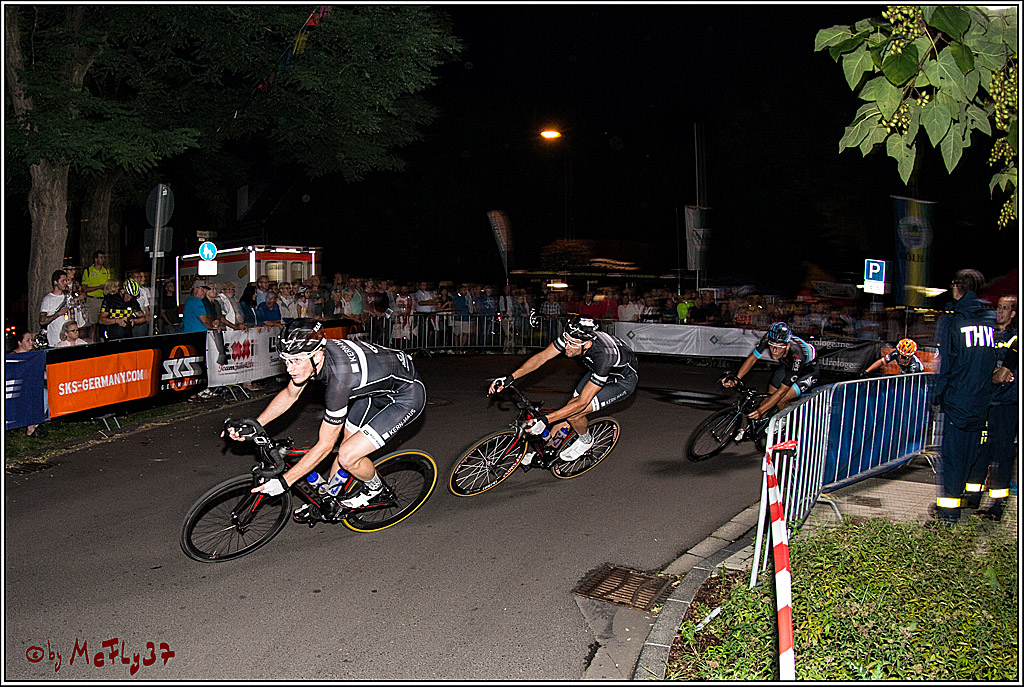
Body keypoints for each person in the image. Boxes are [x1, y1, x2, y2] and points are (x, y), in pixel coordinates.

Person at [229, 319, 427, 523]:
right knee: (345, 448)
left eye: (296, 361)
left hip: (405, 398)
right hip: (373, 392)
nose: (290, 368)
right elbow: (290, 394)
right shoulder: (315, 355)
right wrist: (256, 425)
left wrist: (285, 482)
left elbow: (324, 446)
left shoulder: (339, 381)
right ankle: (329, 499)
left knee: (348, 455)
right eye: (286, 360)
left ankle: (375, 489)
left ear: (316, 355)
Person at [488, 314, 639, 465]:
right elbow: (542, 357)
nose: (566, 346)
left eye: (571, 344)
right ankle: (550, 449)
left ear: (586, 344)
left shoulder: (604, 357)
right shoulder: (573, 335)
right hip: (599, 371)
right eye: (566, 341)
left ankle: (585, 441)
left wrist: (545, 420)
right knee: (568, 409)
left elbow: (581, 403)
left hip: (621, 381)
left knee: (575, 413)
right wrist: (511, 377)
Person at [930, 269, 998, 525]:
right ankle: (962, 503)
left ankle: (948, 515)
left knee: (952, 459)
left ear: (959, 288)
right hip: (981, 401)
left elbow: (946, 365)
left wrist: (936, 397)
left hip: (958, 401)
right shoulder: (988, 321)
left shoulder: (952, 321)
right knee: (970, 456)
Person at [964, 294, 1017, 521]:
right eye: (999, 307)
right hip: (986, 402)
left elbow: (1003, 374)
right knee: (982, 450)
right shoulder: (991, 335)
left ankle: (997, 506)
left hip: (1008, 403)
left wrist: (988, 376)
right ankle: (972, 498)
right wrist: (991, 376)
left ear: (1013, 313)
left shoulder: (1015, 338)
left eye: (1005, 308)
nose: (1000, 312)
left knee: (1003, 454)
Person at [723, 321, 820, 432]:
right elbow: (752, 359)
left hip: (808, 371)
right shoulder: (767, 338)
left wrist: (761, 410)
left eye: (778, 347)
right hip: (788, 365)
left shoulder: (797, 355)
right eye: (772, 346)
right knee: (768, 397)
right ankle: (758, 426)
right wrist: (737, 378)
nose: (774, 351)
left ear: (787, 346)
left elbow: (782, 391)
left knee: (780, 399)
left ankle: (785, 420)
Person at [9, 331, 48, 438]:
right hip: (15, 390)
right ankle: (32, 427)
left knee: (46, 394)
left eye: (32, 340)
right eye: (28, 340)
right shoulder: (12, 357)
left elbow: (40, 373)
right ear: (19, 343)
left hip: (31, 387)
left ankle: (33, 425)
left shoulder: (33, 356)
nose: (31, 343)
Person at [40, 269, 86, 347]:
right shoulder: (48, 299)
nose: (65, 283)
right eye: (63, 281)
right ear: (55, 282)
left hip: (71, 341)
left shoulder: (69, 297)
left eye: (66, 280)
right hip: (55, 340)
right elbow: (42, 321)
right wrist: (58, 314)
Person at [81, 250, 112, 342]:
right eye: (101, 257)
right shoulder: (88, 271)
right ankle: (92, 341)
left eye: (104, 257)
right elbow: (84, 289)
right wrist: (98, 287)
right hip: (92, 300)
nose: (103, 259)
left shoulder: (106, 271)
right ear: (96, 259)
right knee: (93, 324)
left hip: (104, 300)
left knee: (104, 322)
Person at [130, 270, 153, 337]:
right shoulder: (128, 291)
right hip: (133, 317)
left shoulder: (143, 291)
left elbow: (146, 306)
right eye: (135, 277)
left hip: (142, 318)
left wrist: (148, 317)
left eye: (138, 277)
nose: (137, 279)